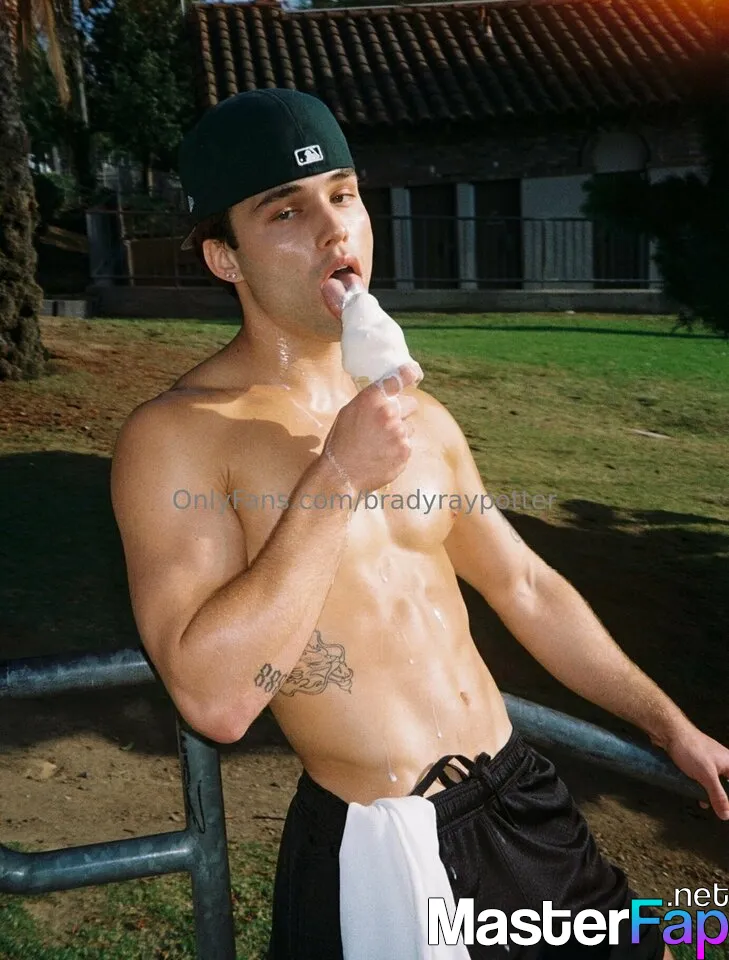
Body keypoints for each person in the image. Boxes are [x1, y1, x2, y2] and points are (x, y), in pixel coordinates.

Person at [110, 89, 728, 960]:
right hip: (387, 845)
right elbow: (215, 702)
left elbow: (524, 584)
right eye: (285, 211)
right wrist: (336, 477)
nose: (334, 229)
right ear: (224, 257)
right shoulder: (178, 437)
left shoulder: (416, 415)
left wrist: (667, 725)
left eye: (343, 194)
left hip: (520, 794)